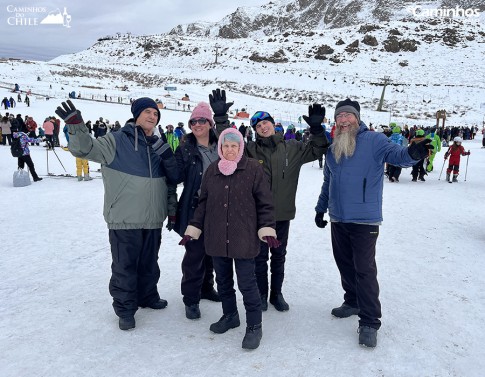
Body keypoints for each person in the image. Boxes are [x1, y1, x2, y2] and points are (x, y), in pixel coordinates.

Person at [314, 98, 433, 348]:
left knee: (364, 269)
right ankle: (352, 301)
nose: (344, 120)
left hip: (365, 219)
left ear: (357, 118)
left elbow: (398, 155)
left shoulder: (375, 140)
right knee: (344, 263)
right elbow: (328, 181)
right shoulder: (334, 146)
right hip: (338, 217)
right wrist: (320, 208)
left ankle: (369, 321)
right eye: (339, 117)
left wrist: (413, 153)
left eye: (348, 116)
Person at [55, 98, 178, 331]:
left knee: (150, 263)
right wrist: (76, 126)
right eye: (147, 112)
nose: (152, 116)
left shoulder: (158, 144)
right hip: (124, 217)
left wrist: (170, 211)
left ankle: (148, 296)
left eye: (156, 113)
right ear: (136, 114)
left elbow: (169, 181)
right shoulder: (116, 140)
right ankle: (125, 309)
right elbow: (84, 148)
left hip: (153, 218)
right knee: (125, 266)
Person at [209, 89, 329, 312]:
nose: (263, 126)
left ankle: (277, 294)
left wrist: (316, 129)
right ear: (255, 131)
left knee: (279, 256)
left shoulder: (293, 148)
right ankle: (262, 295)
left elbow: (319, 148)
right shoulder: (250, 151)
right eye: (258, 125)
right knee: (259, 257)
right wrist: (221, 120)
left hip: (282, 214)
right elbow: (229, 145)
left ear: (273, 125)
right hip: (257, 216)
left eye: (266, 122)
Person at [180, 127, 278, 350]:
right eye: (226, 145)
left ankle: (254, 326)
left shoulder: (252, 168)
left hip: (243, 237)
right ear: (221, 147)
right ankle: (230, 315)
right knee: (223, 282)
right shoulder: (213, 170)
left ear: (241, 147)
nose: (230, 150)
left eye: (234, 145)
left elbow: (265, 202)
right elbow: (203, 203)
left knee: (247, 284)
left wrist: (267, 228)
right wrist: (194, 227)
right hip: (216, 237)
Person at [172, 102, 221, 320]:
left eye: (202, 120)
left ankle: (206, 288)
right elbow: (175, 177)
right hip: (194, 208)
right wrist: (168, 159)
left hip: (219, 208)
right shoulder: (185, 148)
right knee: (194, 254)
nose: (198, 124)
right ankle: (191, 299)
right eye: (194, 121)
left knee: (211, 251)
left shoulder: (222, 145)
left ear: (209, 123)